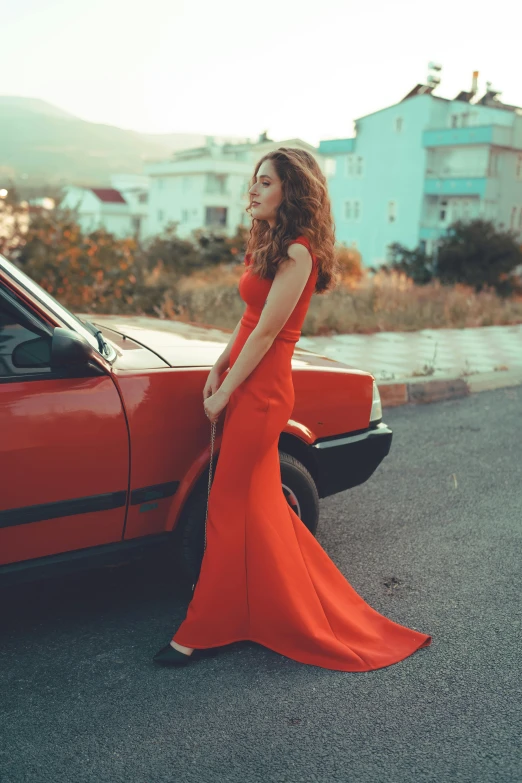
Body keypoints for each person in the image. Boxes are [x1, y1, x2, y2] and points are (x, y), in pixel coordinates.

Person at [153, 148, 431, 670]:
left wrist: (223, 393)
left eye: (265, 182)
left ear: (291, 191)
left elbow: (266, 334)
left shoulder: (300, 253)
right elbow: (247, 317)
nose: (253, 190)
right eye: (253, 181)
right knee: (256, 508)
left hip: (263, 395)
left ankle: (202, 630)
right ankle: (253, 610)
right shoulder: (269, 242)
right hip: (244, 381)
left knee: (228, 506)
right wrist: (217, 364)